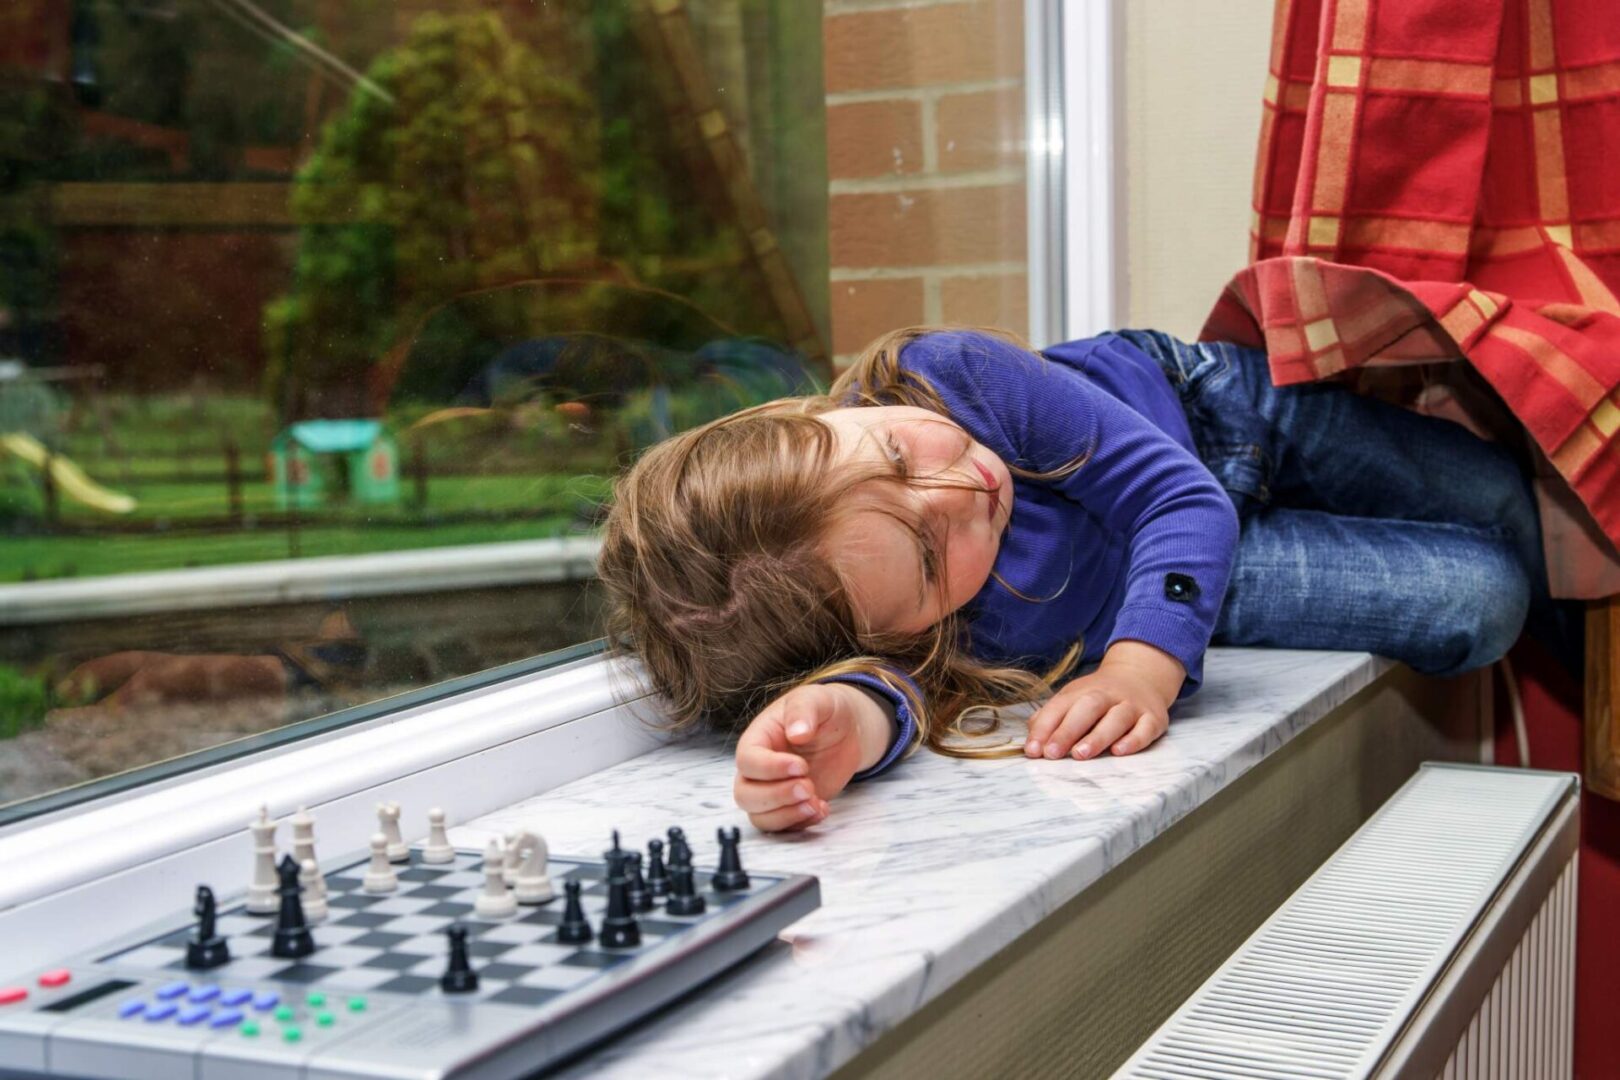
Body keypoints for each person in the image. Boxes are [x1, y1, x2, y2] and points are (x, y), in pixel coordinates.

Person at [596, 327, 1567, 834]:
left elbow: (1177, 499)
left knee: (1499, 494)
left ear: (819, 412)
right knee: (1480, 600)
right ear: (894, 633)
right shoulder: (898, 638)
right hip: (1187, 576)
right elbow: (887, 692)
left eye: (894, 456)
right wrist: (835, 729)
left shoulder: (952, 379)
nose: (958, 486)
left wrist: (1142, 667)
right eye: (932, 561)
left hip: (1211, 425)